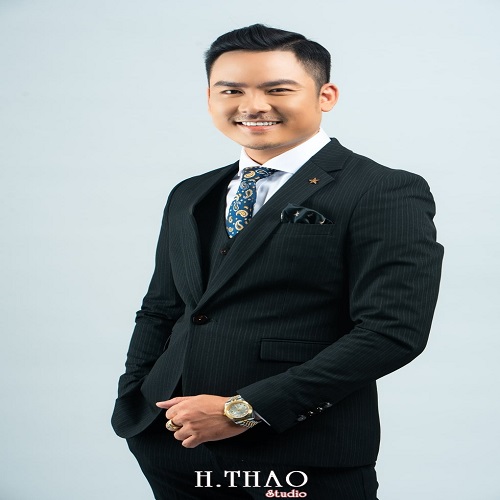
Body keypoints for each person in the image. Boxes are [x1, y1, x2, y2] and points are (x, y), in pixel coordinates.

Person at [111, 24, 444, 500]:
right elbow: (161, 308)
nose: (253, 105)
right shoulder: (190, 193)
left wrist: (243, 411)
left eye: (277, 89)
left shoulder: (383, 189)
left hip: (298, 448)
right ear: (210, 98)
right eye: (232, 90)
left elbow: (392, 332)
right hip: (171, 446)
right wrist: (135, 397)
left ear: (326, 96)